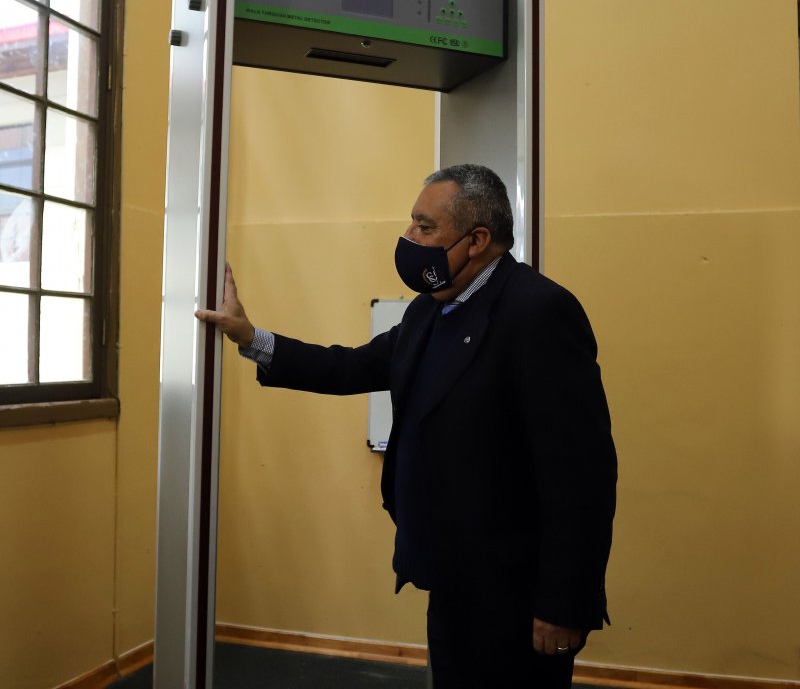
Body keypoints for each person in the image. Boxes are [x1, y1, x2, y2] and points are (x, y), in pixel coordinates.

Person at [196, 164, 617, 688]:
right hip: (450, 575)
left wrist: (564, 603)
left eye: (424, 226)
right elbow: (352, 367)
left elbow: (580, 475)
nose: (408, 237)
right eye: (411, 222)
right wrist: (250, 337)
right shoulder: (428, 311)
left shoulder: (539, 311)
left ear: (476, 240)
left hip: (518, 592)